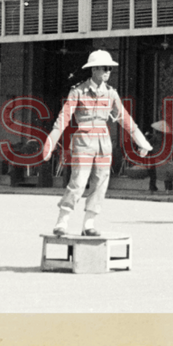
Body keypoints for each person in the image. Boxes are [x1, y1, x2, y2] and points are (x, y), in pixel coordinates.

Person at [42, 49, 151, 237]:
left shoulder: (111, 94)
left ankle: (89, 223)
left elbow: (125, 119)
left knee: (100, 183)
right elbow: (64, 118)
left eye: (109, 68)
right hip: (83, 142)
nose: (108, 71)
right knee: (78, 181)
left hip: (103, 143)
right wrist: (50, 141)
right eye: (104, 68)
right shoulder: (78, 91)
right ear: (93, 70)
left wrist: (142, 142)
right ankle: (63, 220)